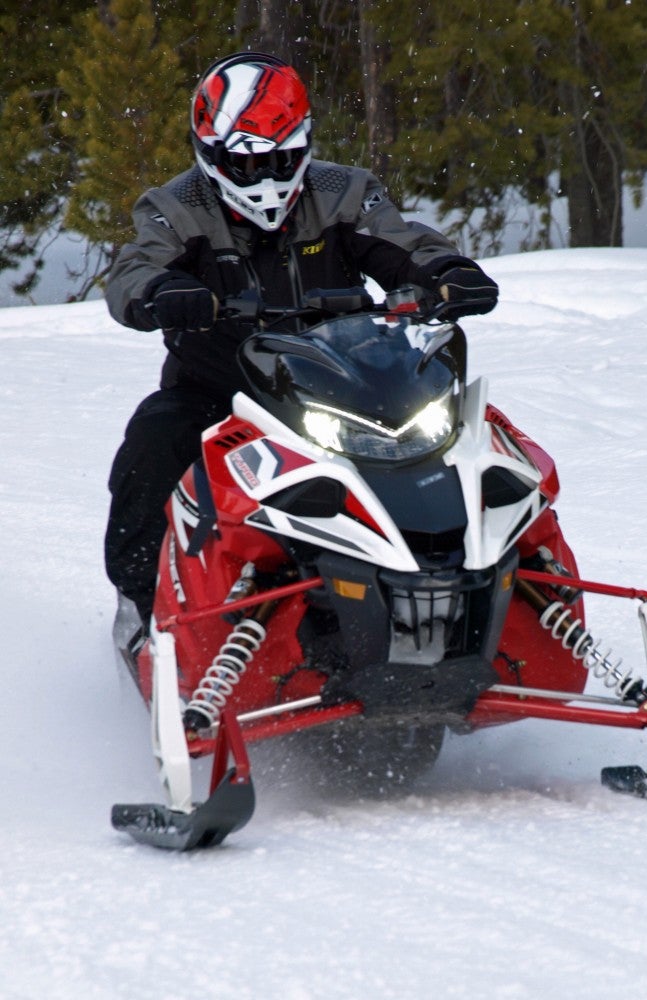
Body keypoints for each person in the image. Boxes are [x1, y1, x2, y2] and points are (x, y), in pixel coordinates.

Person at [104, 51, 498, 628]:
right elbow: (133, 270)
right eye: (245, 165)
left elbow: (402, 243)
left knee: (474, 437)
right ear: (211, 156)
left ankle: (516, 584)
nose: (265, 179)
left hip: (346, 388)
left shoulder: (343, 191)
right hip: (224, 395)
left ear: (306, 143)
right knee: (154, 439)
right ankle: (145, 609)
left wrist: (446, 273)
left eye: (282, 159)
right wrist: (160, 291)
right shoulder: (176, 208)